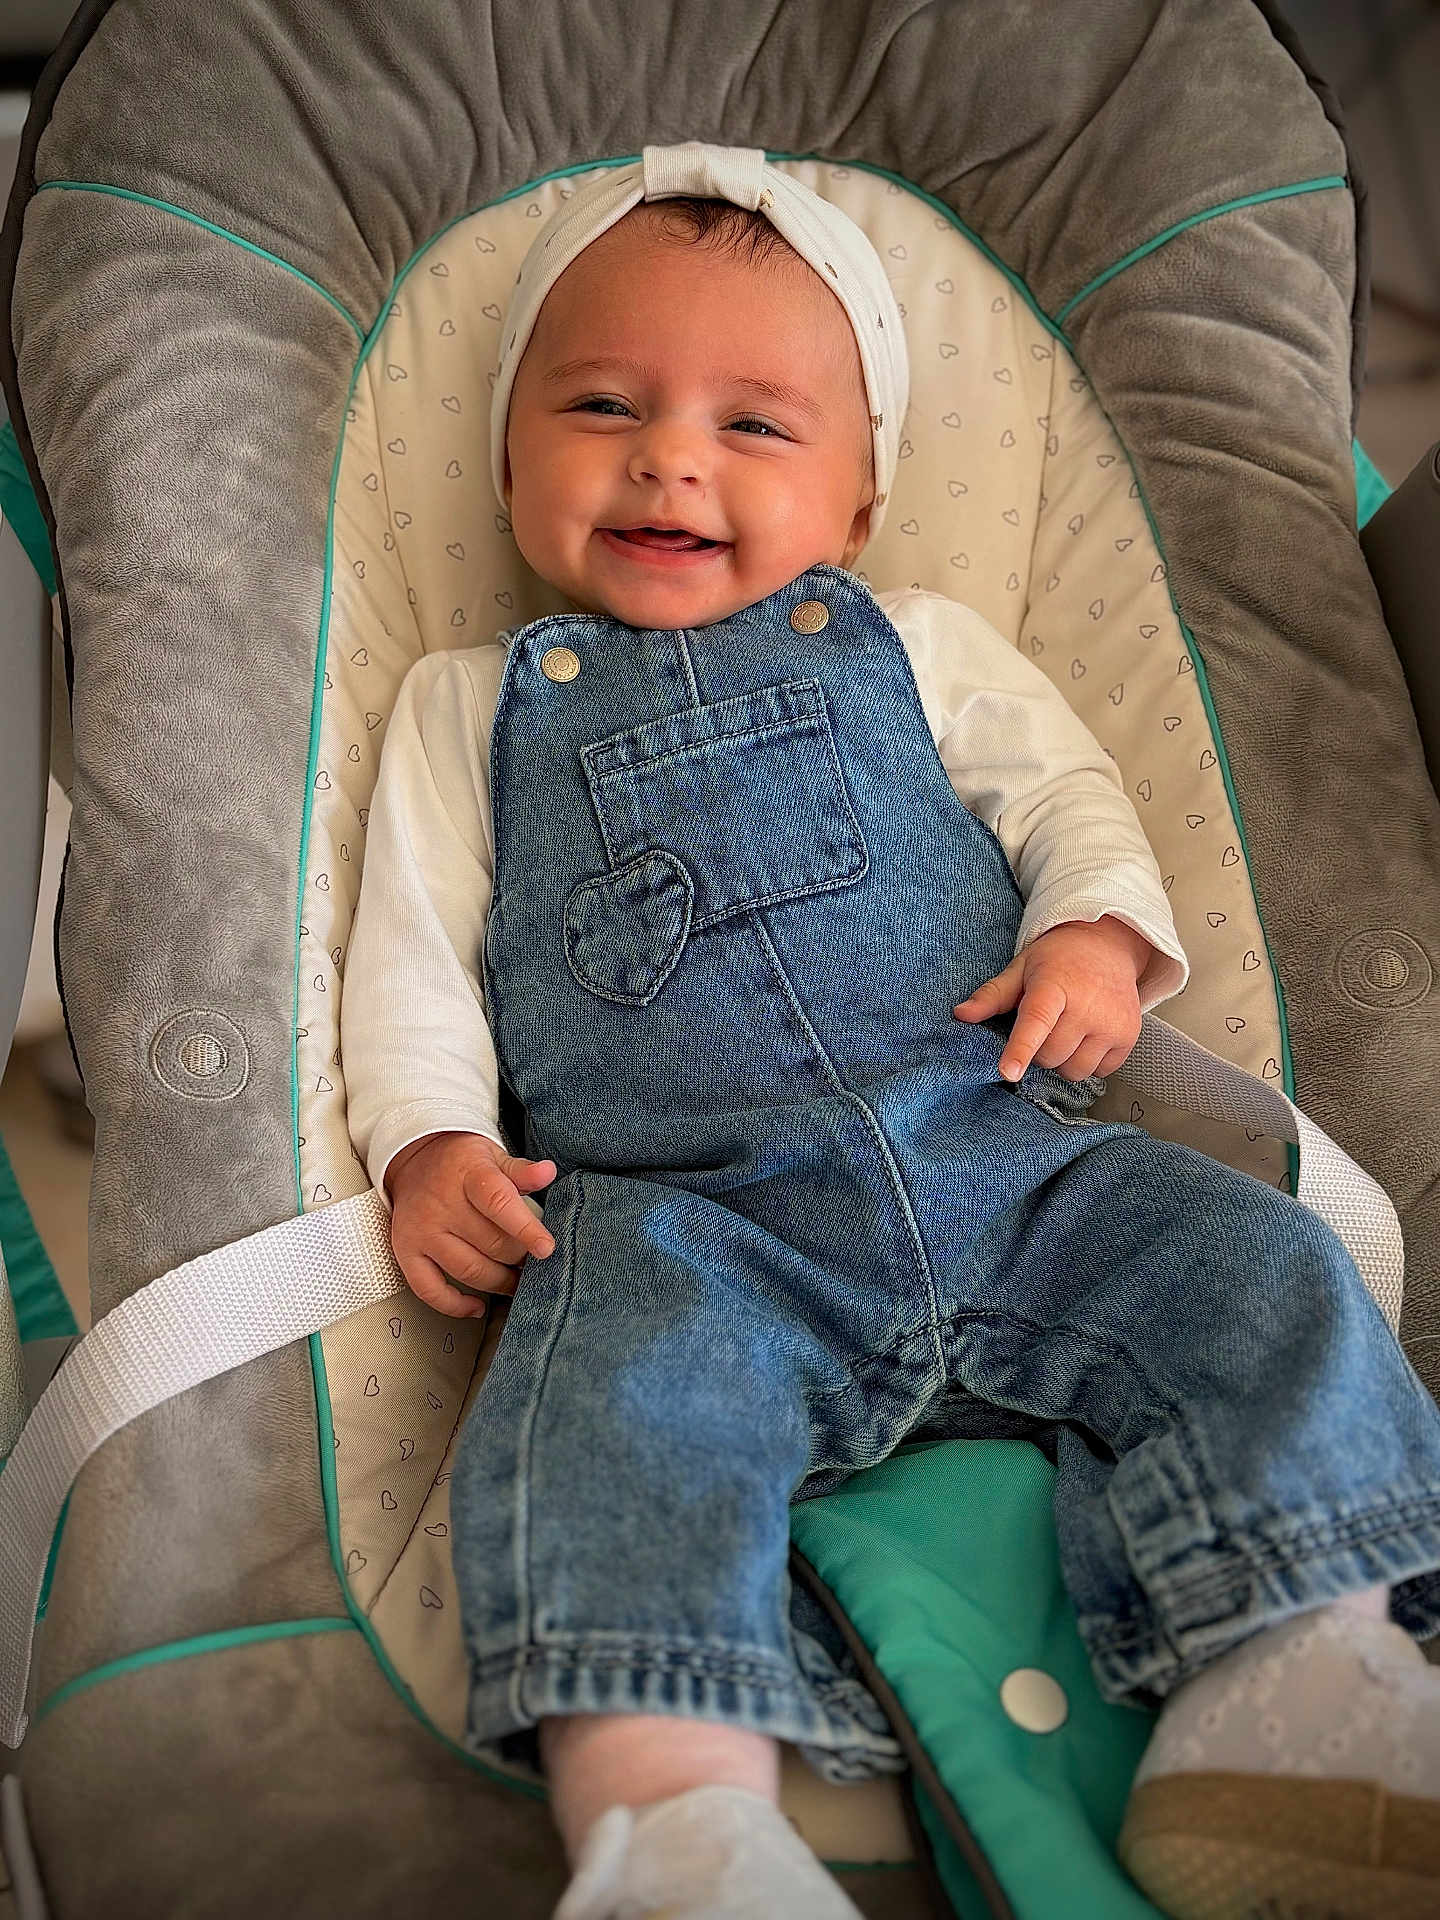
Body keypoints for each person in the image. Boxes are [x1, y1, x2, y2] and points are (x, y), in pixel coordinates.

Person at [341, 144, 1440, 1920]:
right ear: (506, 461)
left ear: (857, 504)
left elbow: (1066, 798)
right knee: (600, 1418)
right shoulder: (466, 707)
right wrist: (428, 1142)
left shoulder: (919, 642)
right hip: (690, 1227)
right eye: (603, 406)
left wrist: (1096, 932)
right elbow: (408, 954)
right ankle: (676, 1825)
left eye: (754, 426)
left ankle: (1298, 1681)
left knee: (1261, 1272)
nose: (670, 456)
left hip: (1007, 1155)